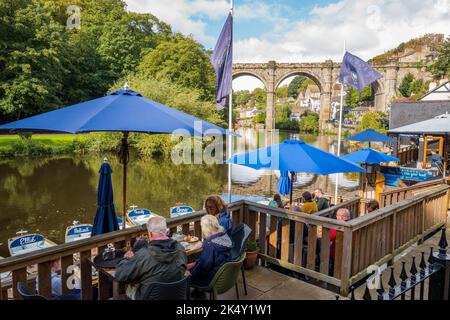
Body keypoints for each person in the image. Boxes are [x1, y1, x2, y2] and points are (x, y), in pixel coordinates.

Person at [115, 216, 187, 300]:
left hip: (149, 297)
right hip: (176, 295)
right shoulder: (180, 248)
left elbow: (120, 275)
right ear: (166, 231)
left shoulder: (144, 254)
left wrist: (126, 258)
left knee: (128, 289)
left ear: (150, 234)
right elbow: (183, 268)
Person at [187, 215, 233, 288]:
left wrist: (190, 272)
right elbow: (211, 261)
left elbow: (203, 269)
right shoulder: (224, 236)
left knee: (183, 278)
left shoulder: (210, 244)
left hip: (212, 280)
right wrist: (195, 263)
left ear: (206, 229)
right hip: (225, 278)